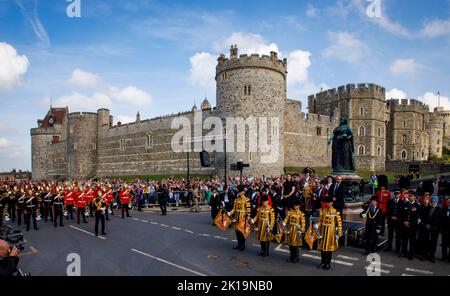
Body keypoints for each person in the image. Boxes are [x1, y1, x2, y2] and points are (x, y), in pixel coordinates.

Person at [316, 196, 343, 270]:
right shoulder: (323, 211)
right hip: (323, 231)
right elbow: (320, 221)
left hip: (331, 232)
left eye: (329, 202)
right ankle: (322, 262)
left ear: (332, 203)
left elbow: (339, 223)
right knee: (322, 249)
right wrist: (317, 225)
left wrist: (339, 232)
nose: (328, 204)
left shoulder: (335, 212)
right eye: (327, 202)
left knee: (329, 249)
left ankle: (328, 264)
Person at [283, 199, 306, 263]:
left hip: (297, 230)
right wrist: (284, 223)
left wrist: (301, 230)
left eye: (296, 205)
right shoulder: (290, 212)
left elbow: (303, 223)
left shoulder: (301, 214)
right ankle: (291, 257)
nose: (294, 206)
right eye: (294, 205)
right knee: (290, 245)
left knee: (296, 245)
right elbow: (287, 218)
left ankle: (296, 257)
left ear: (298, 206)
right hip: (290, 230)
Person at [421, 196, 442, 263]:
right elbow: (423, 217)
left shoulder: (439, 210)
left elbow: (439, 220)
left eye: (434, 201)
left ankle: (431, 257)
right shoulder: (427, 208)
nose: (433, 202)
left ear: (437, 202)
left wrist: (432, 225)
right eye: (432, 201)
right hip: (426, 228)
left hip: (434, 229)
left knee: (433, 243)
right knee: (425, 242)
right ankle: (425, 255)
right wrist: (426, 224)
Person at [400, 193, 421, 260]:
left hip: (412, 226)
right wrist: (404, 221)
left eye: (411, 196)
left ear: (414, 197)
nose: (409, 197)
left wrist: (411, 223)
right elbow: (402, 214)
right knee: (404, 240)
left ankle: (411, 254)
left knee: (412, 241)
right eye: (409, 196)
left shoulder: (417, 205)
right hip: (405, 225)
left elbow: (418, 217)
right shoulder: (405, 204)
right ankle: (404, 253)